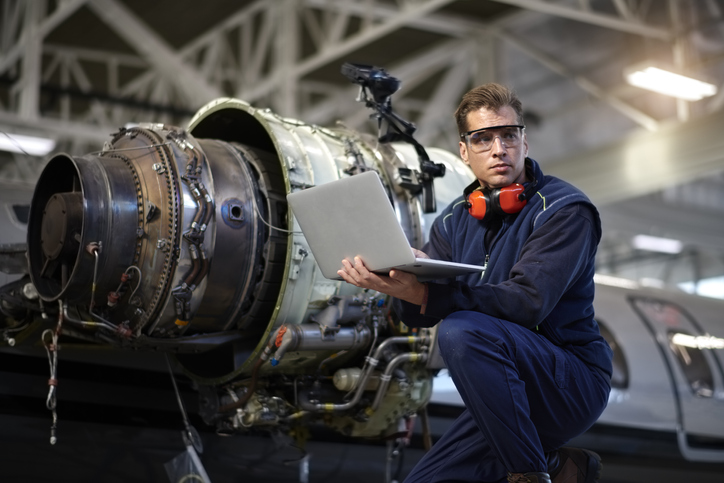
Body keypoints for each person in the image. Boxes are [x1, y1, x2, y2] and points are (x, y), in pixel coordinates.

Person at [337, 83, 613, 483]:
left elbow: (527, 302)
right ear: (464, 152)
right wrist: (398, 281)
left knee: (462, 330)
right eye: (482, 139)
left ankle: (531, 473)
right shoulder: (454, 219)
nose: (498, 149)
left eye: (508, 135)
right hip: (502, 393)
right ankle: (559, 465)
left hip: (568, 381)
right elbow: (418, 317)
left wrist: (430, 293)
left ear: (524, 142)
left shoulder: (566, 210)